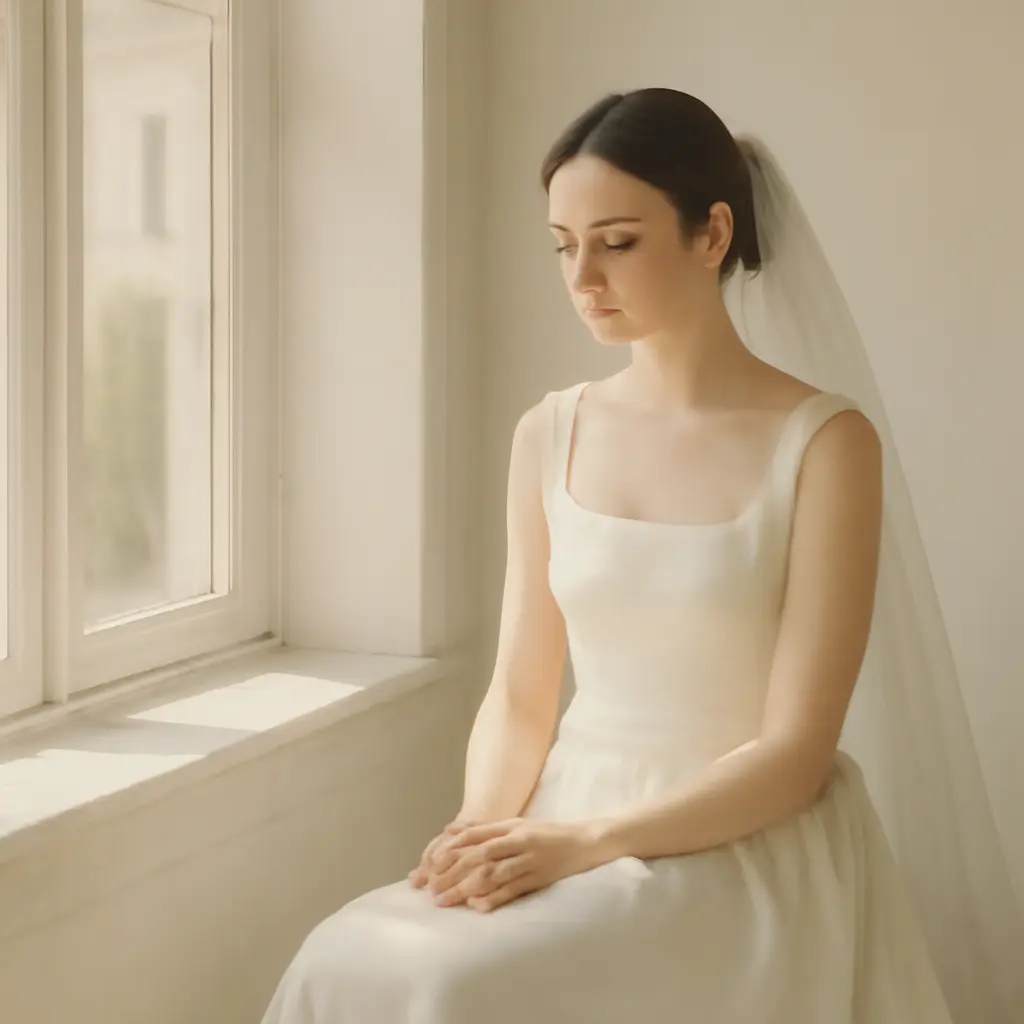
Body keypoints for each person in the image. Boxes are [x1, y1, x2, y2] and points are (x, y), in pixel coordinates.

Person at [260, 88, 1022, 1023]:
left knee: (451, 988)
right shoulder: (549, 432)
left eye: (616, 242)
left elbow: (795, 752)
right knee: (342, 961)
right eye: (562, 243)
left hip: (739, 836)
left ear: (712, 235)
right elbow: (520, 691)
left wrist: (587, 843)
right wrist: (479, 824)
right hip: (561, 808)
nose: (583, 275)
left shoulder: (826, 443)